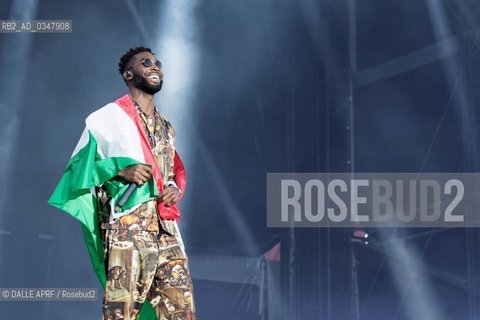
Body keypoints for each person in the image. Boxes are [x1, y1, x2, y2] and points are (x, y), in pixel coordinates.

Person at [49, 47, 196, 320]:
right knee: (122, 312)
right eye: (146, 62)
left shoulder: (166, 126)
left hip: (166, 231)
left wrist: (175, 188)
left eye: (158, 63)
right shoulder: (106, 119)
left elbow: (171, 171)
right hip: (128, 229)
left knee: (181, 311)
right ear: (129, 74)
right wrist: (119, 170)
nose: (155, 67)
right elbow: (78, 170)